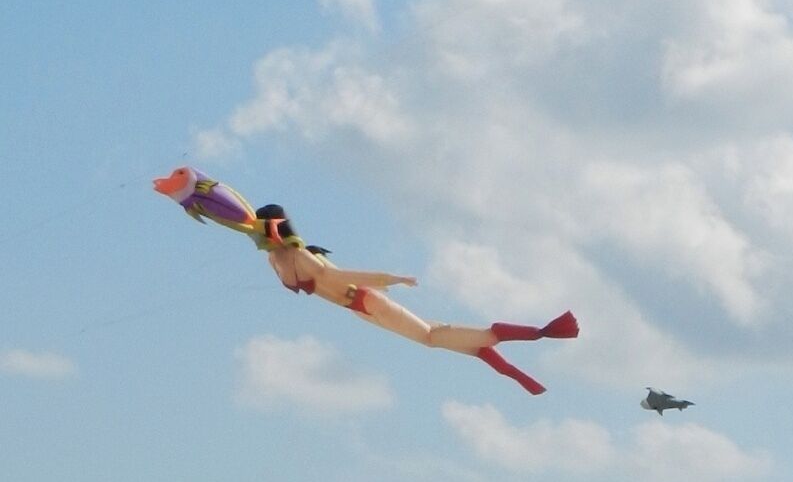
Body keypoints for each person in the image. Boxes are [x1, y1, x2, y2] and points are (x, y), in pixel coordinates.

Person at [151, 170, 579, 394]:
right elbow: (330, 271)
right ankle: (496, 350)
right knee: (431, 337)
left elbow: (329, 274)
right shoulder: (285, 258)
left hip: (362, 300)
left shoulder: (281, 262)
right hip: (361, 304)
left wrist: (389, 278)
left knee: (431, 336)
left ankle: (517, 338)